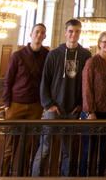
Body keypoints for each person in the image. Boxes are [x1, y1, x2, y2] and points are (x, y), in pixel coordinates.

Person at [31, 19, 91, 177]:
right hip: (53, 109)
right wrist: (48, 104)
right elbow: (45, 81)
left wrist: (80, 104)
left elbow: (87, 83)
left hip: (73, 110)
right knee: (45, 148)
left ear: (80, 33)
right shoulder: (54, 54)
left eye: (77, 31)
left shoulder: (85, 55)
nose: (74, 34)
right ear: (66, 32)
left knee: (68, 151)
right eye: (71, 31)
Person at [1, 23, 49, 176]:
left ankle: (22, 176)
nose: (39, 35)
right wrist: (7, 104)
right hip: (16, 104)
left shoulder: (47, 55)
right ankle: (4, 175)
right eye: (37, 32)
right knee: (9, 146)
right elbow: (8, 80)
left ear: (45, 36)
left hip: (35, 105)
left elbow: (47, 80)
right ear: (31, 34)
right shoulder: (18, 55)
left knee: (28, 146)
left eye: (42, 33)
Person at [80, 30, 106, 176]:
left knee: (104, 148)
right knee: (89, 149)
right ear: (99, 43)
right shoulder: (92, 62)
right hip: (94, 112)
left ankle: (100, 177)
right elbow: (86, 88)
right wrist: (90, 111)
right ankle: (84, 177)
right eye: (105, 42)